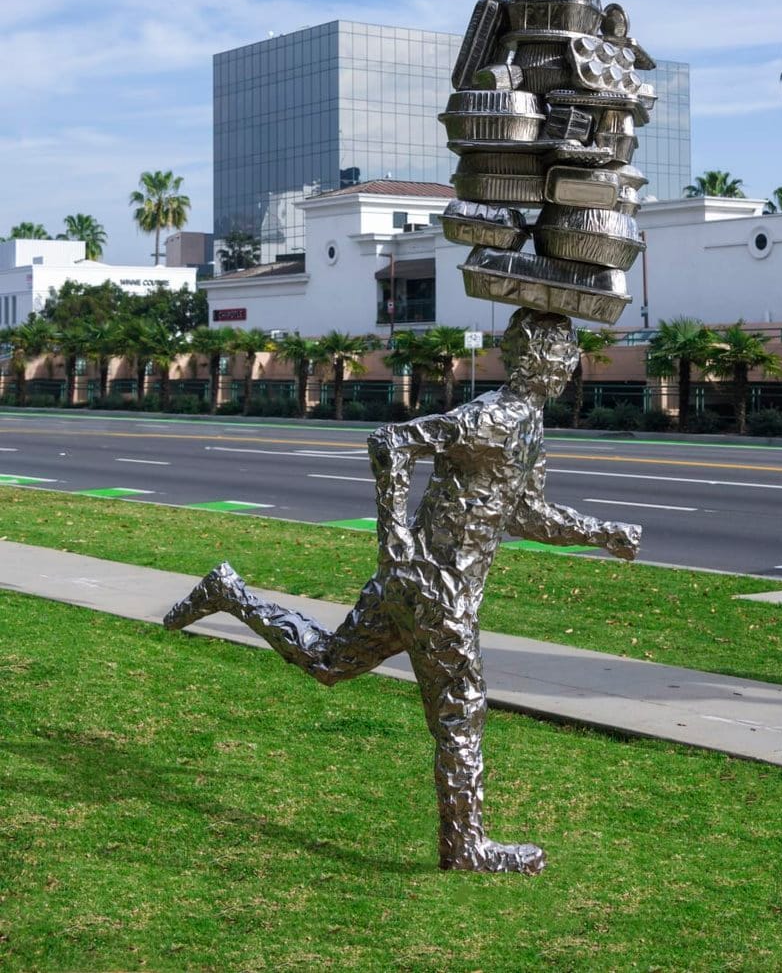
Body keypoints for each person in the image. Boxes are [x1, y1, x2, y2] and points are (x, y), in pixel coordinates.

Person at [163, 308, 641, 873]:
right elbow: (390, 441)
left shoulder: (528, 424)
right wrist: (392, 533)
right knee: (461, 714)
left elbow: (525, 514)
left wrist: (600, 532)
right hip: (438, 589)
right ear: (535, 355)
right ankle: (465, 848)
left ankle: (230, 591)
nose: (570, 363)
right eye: (562, 352)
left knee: (329, 661)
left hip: (409, 584)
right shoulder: (498, 416)